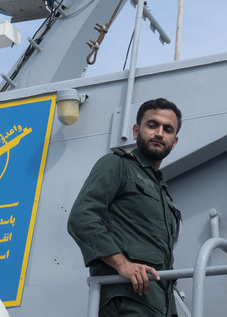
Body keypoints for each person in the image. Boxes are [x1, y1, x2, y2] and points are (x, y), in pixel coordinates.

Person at [68, 97, 182, 317]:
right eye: (152, 125)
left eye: (167, 129)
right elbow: (82, 217)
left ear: (174, 141)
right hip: (126, 301)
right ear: (136, 130)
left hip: (159, 305)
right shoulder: (117, 164)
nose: (159, 133)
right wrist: (122, 264)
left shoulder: (162, 190)